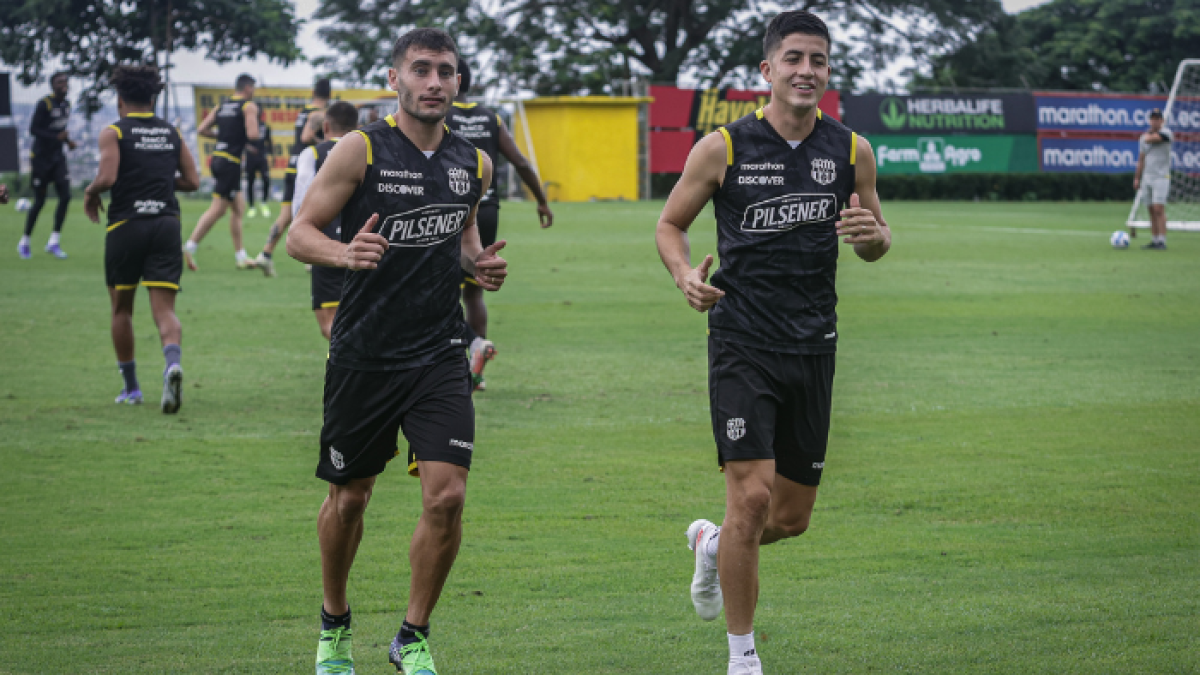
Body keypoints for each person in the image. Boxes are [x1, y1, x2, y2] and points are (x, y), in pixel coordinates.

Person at [654, 11, 891, 675]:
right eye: (793, 58)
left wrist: (875, 240)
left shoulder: (850, 151)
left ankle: (709, 544)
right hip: (741, 340)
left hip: (814, 345)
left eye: (818, 59)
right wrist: (683, 275)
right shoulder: (723, 148)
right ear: (767, 70)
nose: (806, 70)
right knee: (750, 498)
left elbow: (878, 236)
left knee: (787, 517)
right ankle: (742, 656)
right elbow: (670, 225)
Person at [286, 28, 508, 675]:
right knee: (351, 497)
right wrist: (342, 252)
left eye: (446, 71)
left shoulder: (474, 163)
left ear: (459, 84)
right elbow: (300, 233)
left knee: (447, 495)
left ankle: (412, 635)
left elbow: (464, 238)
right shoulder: (360, 150)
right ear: (396, 78)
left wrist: (478, 265)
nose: (435, 81)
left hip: (439, 352)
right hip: (363, 353)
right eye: (421, 69)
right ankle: (334, 623)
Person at [83, 64, 200, 412]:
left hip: (126, 226)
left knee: (121, 308)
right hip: (166, 224)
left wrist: (90, 193)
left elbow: (107, 176)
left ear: (120, 100)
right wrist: (161, 181)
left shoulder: (114, 132)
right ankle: (172, 364)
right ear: (153, 98)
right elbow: (193, 182)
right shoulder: (171, 133)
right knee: (164, 309)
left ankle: (132, 388)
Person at [444, 60, 554, 391]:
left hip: (448, 207)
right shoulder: (490, 117)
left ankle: (469, 348)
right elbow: (519, 160)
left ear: (453, 80)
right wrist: (541, 199)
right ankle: (476, 370)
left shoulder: (440, 116)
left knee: (439, 288)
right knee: (475, 290)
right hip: (486, 206)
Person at [291, 101, 360, 340]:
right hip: (363, 243)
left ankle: (353, 367)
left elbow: (301, 200)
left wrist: (303, 239)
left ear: (326, 126)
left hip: (325, 242)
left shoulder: (312, 154)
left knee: (330, 323)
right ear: (357, 127)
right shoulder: (367, 152)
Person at [183, 73, 261, 270]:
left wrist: (225, 136)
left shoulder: (222, 105)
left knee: (238, 208)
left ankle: (241, 256)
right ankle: (190, 246)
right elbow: (253, 134)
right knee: (218, 209)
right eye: (253, 88)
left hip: (219, 158)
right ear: (247, 88)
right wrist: (246, 137)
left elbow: (202, 129)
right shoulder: (248, 106)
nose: (253, 92)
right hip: (230, 163)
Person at [255, 78, 331, 276]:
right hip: (306, 169)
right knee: (316, 212)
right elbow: (306, 137)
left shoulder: (304, 111)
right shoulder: (318, 114)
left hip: (292, 166)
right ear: (329, 95)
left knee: (286, 215)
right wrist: (325, 143)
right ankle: (313, 259)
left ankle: (266, 254)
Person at [19, 71, 76, 260]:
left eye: (66, 81)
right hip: (41, 159)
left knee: (66, 196)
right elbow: (33, 129)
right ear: (53, 85)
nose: (64, 84)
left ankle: (54, 241)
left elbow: (60, 131)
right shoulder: (45, 104)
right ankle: (25, 241)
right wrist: (56, 137)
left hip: (57, 158)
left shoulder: (66, 105)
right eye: (60, 82)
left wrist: (68, 142)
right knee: (40, 201)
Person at [1134, 108, 1172, 250]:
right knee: (1150, 209)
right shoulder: (1143, 138)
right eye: (1153, 119)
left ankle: (1162, 239)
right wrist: (1137, 178)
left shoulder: (1166, 133)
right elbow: (1141, 158)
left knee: (1158, 208)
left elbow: (1152, 138)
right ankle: (1155, 239)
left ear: (1162, 121)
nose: (1155, 121)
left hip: (1161, 177)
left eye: (1157, 119)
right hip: (1147, 177)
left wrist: (1148, 135)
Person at [244, 110, 273, 219]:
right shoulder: (246, 127)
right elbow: (242, 141)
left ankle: (264, 203)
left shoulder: (265, 126)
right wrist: (249, 148)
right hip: (250, 159)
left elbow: (269, 141)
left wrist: (272, 155)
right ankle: (251, 207)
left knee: (266, 179)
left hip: (262, 158)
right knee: (250, 182)